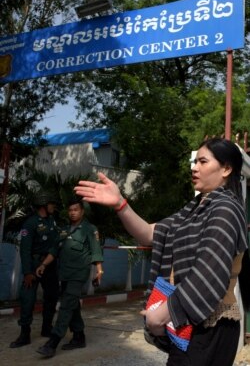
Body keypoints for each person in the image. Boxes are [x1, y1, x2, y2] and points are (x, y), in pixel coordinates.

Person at [74, 138, 250, 366]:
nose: (194, 167)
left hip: (210, 327)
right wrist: (119, 203)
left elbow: (208, 273)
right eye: (195, 162)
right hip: (190, 323)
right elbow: (149, 234)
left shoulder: (225, 208)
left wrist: (162, 315)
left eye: (203, 162)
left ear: (226, 168)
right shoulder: (194, 210)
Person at [36, 197, 104, 358]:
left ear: (82, 211)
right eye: (70, 210)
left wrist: (99, 271)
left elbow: (96, 252)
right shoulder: (64, 230)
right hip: (65, 274)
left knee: (66, 305)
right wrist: (43, 265)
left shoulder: (90, 229)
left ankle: (52, 342)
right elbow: (54, 250)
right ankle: (79, 337)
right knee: (72, 306)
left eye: (76, 210)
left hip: (79, 275)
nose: (73, 213)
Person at [10, 190, 60, 348]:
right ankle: (24, 334)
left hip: (49, 265)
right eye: (51, 204)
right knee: (28, 299)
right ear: (44, 205)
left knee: (52, 296)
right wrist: (27, 273)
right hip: (33, 265)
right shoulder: (30, 223)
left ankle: (47, 328)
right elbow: (25, 250)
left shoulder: (52, 221)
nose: (53, 206)